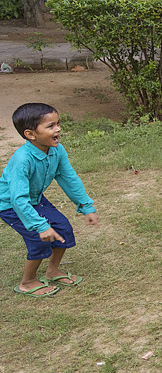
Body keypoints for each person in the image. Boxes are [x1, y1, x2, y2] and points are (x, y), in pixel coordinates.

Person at [0, 103, 98, 297]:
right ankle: (27, 282)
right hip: (11, 205)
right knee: (39, 239)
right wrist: (40, 226)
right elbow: (18, 199)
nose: (58, 129)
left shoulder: (57, 151)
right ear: (30, 134)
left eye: (58, 123)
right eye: (51, 126)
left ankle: (52, 272)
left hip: (34, 199)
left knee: (63, 228)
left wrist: (86, 206)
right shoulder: (22, 159)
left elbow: (69, 179)